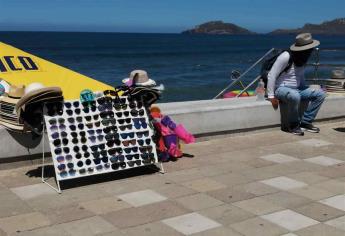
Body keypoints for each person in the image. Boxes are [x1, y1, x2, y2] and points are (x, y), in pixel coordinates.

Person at [267, 33, 326, 136]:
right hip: (281, 88)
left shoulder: (303, 58)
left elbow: (300, 76)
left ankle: (306, 122)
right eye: (309, 49)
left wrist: (305, 89)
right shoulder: (286, 56)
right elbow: (272, 75)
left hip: (298, 89)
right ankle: (293, 125)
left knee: (320, 94)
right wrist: (271, 96)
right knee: (295, 95)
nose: (311, 51)